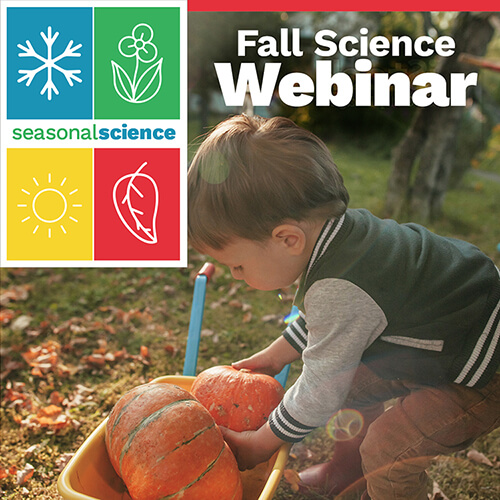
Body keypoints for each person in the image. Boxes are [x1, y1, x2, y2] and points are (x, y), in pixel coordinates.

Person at [187, 114, 500, 500]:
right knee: (350, 382)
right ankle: (346, 472)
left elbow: (320, 388)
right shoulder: (340, 240)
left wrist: (261, 442)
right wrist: (276, 355)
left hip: (483, 372)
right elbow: (328, 319)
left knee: (388, 448)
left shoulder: (340, 284)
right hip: (456, 331)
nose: (236, 275)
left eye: (238, 265)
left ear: (288, 239)